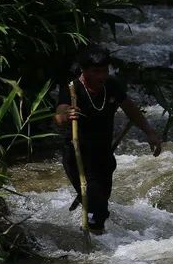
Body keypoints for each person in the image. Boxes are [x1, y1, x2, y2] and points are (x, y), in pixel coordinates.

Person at [54, 46, 163, 234]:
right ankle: (93, 239)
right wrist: (65, 115)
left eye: (104, 71)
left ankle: (92, 234)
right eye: (95, 71)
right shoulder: (73, 89)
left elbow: (130, 109)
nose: (101, 76)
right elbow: (59, 114)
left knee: (101, 200)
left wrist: (150, 132)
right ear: (84, 70)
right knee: (97, 206)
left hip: (104, 155)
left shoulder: (111, 85)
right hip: (78, 156)